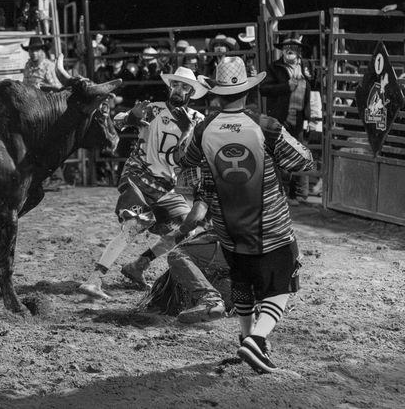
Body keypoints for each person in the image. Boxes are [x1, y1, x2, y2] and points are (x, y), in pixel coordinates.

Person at [176, 56, 314, 373]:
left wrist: (193, 129)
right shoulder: (266, 126)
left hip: (228, 227)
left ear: (216, 93)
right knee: (281, 286)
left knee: (242, 281)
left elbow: (184, 158)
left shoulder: (204, 128)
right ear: (248, 91)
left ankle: (246, 339)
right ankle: (258, 341)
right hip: (270, 226)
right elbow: (302, 161)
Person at [77, 66, 212, 301]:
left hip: (166, 187)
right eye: (176, 85)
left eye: (185, 87)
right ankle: (94, 280)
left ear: (191, 92)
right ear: (170, 87)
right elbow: (115, 125)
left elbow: (204, 150)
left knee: (187, 227)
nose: (179, 90)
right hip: (138, 176)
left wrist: (191, 134)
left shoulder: (197, 120)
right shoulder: (153, 110)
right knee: (133, 225)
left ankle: (139, 264)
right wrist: (132, 117)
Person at [141, 202, 232, 324]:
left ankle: (210, 300)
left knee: (177, 255)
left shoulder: (209, 185)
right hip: (258, 252)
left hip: (236, 242)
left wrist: (177, 233)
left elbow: (193, 219)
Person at [259, 35, 312, 205]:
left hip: (299, 118)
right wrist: (285, 87)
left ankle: (301, 194)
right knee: (281, 154)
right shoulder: (275, 68)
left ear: (299, 52)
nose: (290, 50)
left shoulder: (305, 67)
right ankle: (284, 194)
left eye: (294, 47)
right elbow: (264, 89)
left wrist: (310, 118)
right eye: (287, 47)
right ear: (282, 50)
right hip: (280, 118)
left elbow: (313, 90)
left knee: (301, 153)